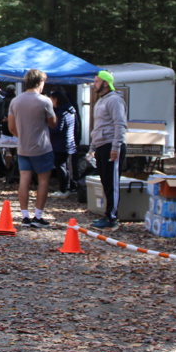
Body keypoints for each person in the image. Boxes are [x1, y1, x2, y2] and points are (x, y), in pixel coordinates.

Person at [8, 69, 57, 227]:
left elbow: (11, 127)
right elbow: (53, 123)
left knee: (24, 180)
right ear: (39, 82)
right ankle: (38, 216)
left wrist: (22, 136)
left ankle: (24, 216)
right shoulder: (45, 101)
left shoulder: (15, 101)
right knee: (43, 181)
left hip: (23, 147)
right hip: (42, 147)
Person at [87, 70, 127, 231]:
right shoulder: (100, 101)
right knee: (105, 181)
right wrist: (92, 147)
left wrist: (116, 147)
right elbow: (98, 126)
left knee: (112, 183)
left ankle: (112, 217)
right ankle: (107, 213)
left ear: (105, 83)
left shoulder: (115, 100)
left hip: (111, 145)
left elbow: (120, 124)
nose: (94, 84)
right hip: (101, 145)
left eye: (97, 81)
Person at [48, 89, 79, 198]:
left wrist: (47, 128)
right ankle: (69, 187)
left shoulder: (61, 112)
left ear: (56, 100)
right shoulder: (70, 110)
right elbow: (76, 127)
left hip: (60, 144)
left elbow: (58, 129)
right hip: (69, 142)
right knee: (67, 167)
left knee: (61, 167)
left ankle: (64, 189)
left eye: (52, 100)